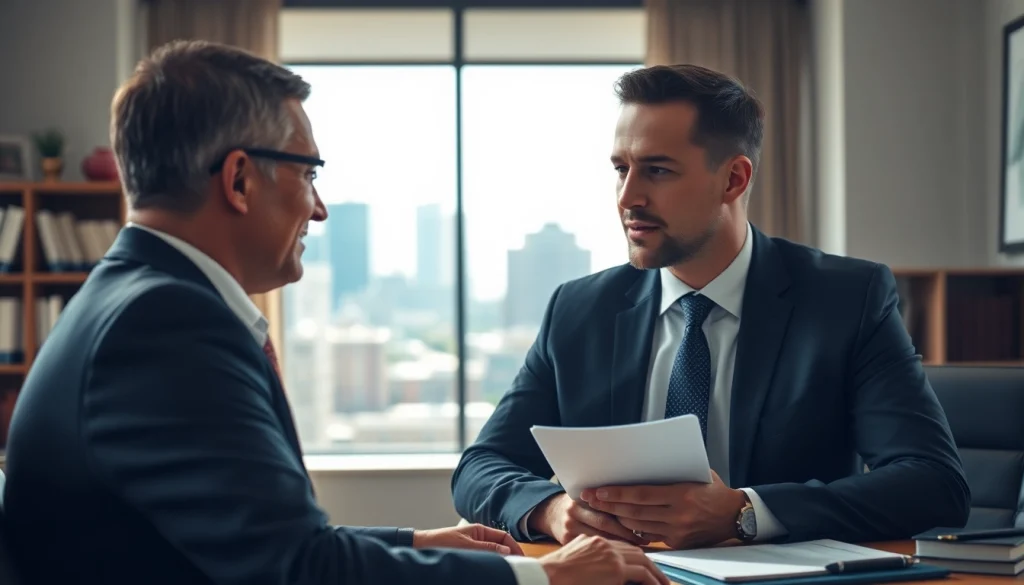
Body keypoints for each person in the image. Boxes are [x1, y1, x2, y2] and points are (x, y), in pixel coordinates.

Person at [1, 40, 669, 585]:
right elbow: (300, 570)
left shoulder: (133, 298)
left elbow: (255, 537)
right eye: (308, 173)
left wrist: (415, 541)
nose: (318, 208)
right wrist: (547, 579)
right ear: (238, 179)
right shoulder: (167, 325)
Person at [451, 64, 971, 550]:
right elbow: (481, 466)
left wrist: (745, 513)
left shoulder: (846, 300)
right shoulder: (579, 309)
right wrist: (549, 508)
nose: (628, 197)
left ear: (734, 180)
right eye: (620, 169)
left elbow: (934, 483)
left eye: (656, 171)